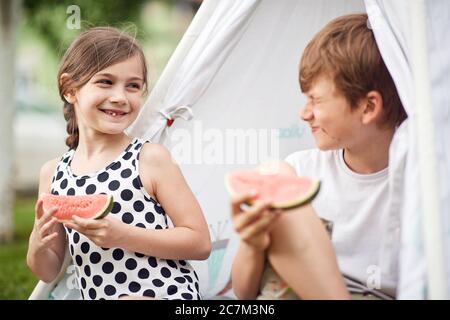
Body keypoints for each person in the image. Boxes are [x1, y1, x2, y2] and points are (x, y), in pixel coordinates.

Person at [26, 27, 211, 300]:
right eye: (105, 82)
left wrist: (121, 236)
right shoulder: (53, 174)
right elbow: (48, 271)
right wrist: (39, 246)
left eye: (133, 86)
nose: (120, 97)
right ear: (69, 89)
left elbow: (199, 242)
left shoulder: (150, 158)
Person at [230, 13, 407, 300]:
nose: (304, 113)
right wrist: (252, 244)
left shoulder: (423, 183)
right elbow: (244, 295)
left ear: (368, 106)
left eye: (316, 100)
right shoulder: (300, 170)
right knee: (275, 172)